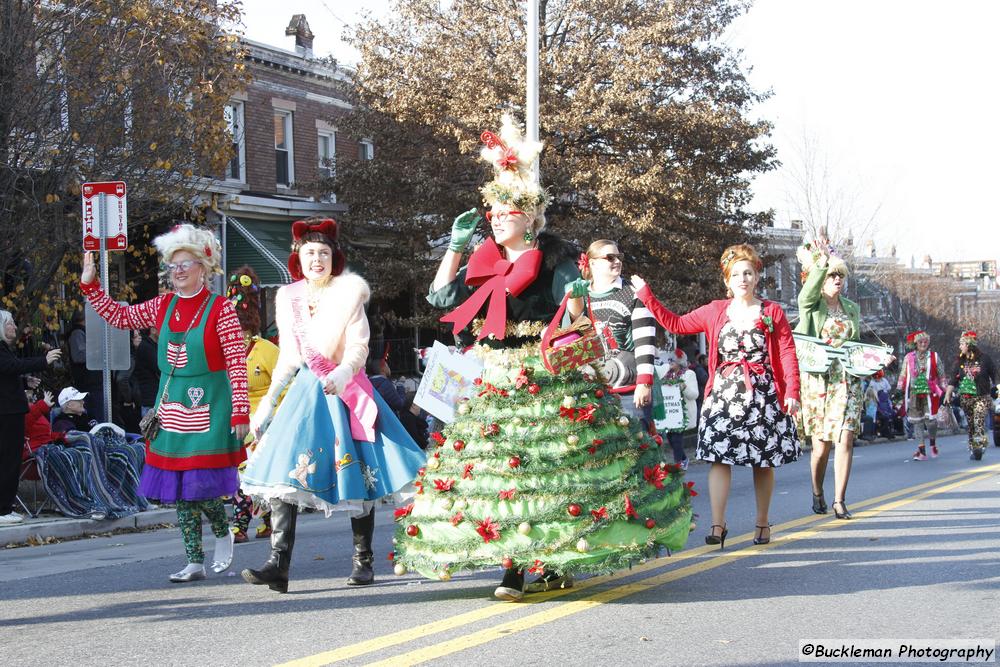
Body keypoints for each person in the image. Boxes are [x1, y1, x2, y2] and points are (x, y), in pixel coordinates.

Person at [393, 116, 693, 601]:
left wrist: (575, 298)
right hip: (494, 376)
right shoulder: (484, 258)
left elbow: (573, 317)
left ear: (531, 218)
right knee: (505, 474)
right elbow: (441, 299)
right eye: (492, 211)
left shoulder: (554, 259)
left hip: (544, 375)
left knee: (551, 471)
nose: (495, 218)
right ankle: (512, 567)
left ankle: (555, 560)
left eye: (506, 211)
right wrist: (453, 247)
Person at [239, 218, 426, 594]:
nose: (317, 259)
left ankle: (363, 561)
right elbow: (289, 357)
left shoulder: (348, 294)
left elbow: (359, 346)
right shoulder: (288, 298)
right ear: (298, 258)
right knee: (283, 474)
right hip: (307, 393)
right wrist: (268, 405)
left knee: (359, 471)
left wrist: (343, 373)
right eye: (309, 253)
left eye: (323, 252)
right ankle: (279, 563)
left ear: (333, 258)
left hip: (344, 389)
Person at [80, 224, 249, 582]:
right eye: (173, 265)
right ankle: (193, 560)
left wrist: (240, 410)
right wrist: (91, 285)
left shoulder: (222, 310)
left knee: (199, 482)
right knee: (179, 486)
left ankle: (222, 530)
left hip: (211, 402)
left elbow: (236, 361)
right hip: (171, 404)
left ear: (203, 268)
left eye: (186, 263)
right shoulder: (163, 305)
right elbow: (119, 317)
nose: (179, 271)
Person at [632, 243, 801, 548]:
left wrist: (792, 391)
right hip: (724, 395)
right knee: (718, 458)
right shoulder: (714, 311)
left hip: (762, 395)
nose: (743, 279)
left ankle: (762, 524)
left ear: (757, 276)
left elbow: (787, 352)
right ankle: (717, 524)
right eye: (736, 274)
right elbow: (676, 323)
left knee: (762, 462)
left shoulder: (772, 311)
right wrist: (647, 296)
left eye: (748, 272)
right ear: (727, 280)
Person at [794, 242, 867, 520]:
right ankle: (817, 491)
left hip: (847, 382)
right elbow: (804, 298)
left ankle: (840, 500)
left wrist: (877, 360)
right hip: (819, 383)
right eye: (831, 276)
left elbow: (858, 345)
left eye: (840, 276)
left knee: (845, 438)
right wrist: (821, 263)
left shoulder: (851, 309)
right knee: (821, 447)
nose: (837, 280)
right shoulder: (812, 306)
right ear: (820, 279)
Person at [578, 239, 658, 426]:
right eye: (610, 257)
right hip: (593, 390)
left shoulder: (633, 292)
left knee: (638, 447)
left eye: (619, 256)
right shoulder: (580, 295)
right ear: (593, 263)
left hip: (629, 389)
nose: (617, 261)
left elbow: (646, 339)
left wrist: (644, 383)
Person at [225, 266, 278, 543]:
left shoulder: (267, 350)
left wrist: (274, 416)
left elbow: (286, 386)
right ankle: (261, 521)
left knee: (254, 474)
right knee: (239, 475)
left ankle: (244, 523)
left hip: (262, 424)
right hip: (233, 422)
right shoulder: (224, 352)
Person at [0, 309, 62, 524]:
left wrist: (25, 382)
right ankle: (2, 510)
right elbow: (11, 367)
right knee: (7, 460)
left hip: (10, 411)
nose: (14, 328)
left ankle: (6, 507)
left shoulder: (5, 349)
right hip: (6, 412)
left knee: (10, 460)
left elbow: (7, 374)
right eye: (10, 324)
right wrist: (43, 361)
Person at [944, 331, 997, 461]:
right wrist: (947, 394)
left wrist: (997, 389)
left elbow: (995, 374)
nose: (959, 346)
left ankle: (979, 444)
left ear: (969, 344)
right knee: (971, 424)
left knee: (978, 419)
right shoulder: (959, 361)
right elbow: (953, 380)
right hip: (966, 399)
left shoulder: (985, 359)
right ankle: (974, 449)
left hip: (982, 396)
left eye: (961, 343)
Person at [897, 331, 947, 460]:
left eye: (925, 341)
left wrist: (946, 390)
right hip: (914, 393)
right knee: (917, 421)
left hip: (930, 393)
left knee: (931, 421)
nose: (923, 344)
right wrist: (899, 389)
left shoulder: (934, 356)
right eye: (920, 342)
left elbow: (941, 374)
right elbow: (903, 374)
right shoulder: (909, 357)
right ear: (915, 343)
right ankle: (921, 451)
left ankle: (932, 443)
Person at [658, 349, 697, 469]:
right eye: (669, 361)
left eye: (672, 361)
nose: (670, 363)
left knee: (676, 439)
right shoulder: (666, 374)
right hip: (670, 413)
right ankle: (684, 459)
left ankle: (679, 463)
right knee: (671, 438)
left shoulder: (689, 374)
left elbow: (694, 394)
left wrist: (683, 387)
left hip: (682, 413)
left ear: (680, 362)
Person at [67, 311, 104, 422]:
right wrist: (98, 352)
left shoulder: (85, 333)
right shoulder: (77, 333)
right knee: (94, 414)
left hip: (93, 381)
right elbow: (79, 356)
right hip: (88, 382)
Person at [132, 327, 161, 417]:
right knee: (150, 429)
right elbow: (159, 367)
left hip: (153, 395)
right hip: (149, 397)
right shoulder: (146, 347)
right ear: (152, 330)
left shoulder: (153, 345)